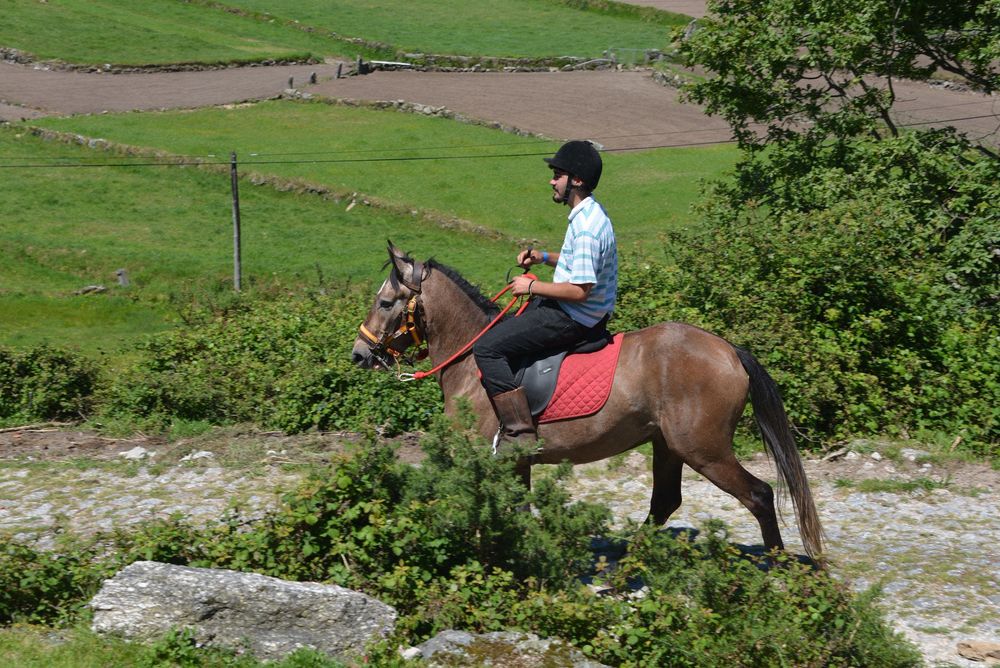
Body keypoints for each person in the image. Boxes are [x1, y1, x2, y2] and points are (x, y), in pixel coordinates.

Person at [473, 140, 618, 448]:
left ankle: (517, 432)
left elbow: (579, 290)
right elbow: (575, 262)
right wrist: (543, 257)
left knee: (487, 347)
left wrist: (531, 286)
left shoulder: (588, 228)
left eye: (558, 174)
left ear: (576, 180)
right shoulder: (588, 213)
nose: (552, 181)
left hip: (575, 317)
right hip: (576, 311)